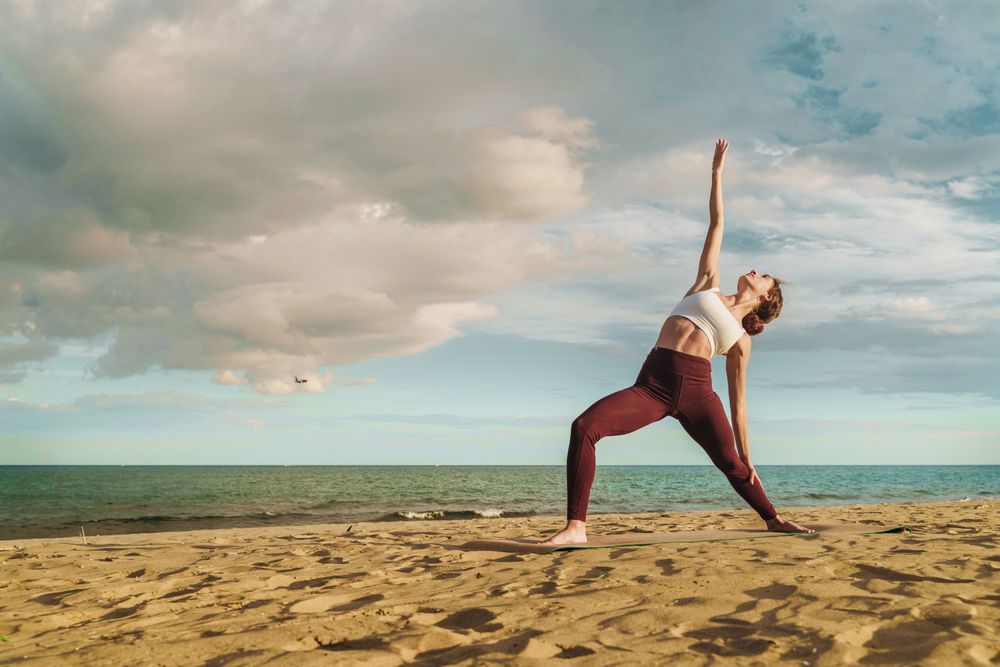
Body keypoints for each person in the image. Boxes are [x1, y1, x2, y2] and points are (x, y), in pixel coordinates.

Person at [542, 138, 814, 545]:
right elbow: (716, 225)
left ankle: (773, 519)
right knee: (584, 427)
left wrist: (748, 453)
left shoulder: (741, 340)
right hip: (651, 385)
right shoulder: (707, 284)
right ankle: (576, 528)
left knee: (733, 465)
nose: (755, 271)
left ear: (766, 298)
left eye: (764, 276)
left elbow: (738, 401)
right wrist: (717, 174)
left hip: (698, 393)